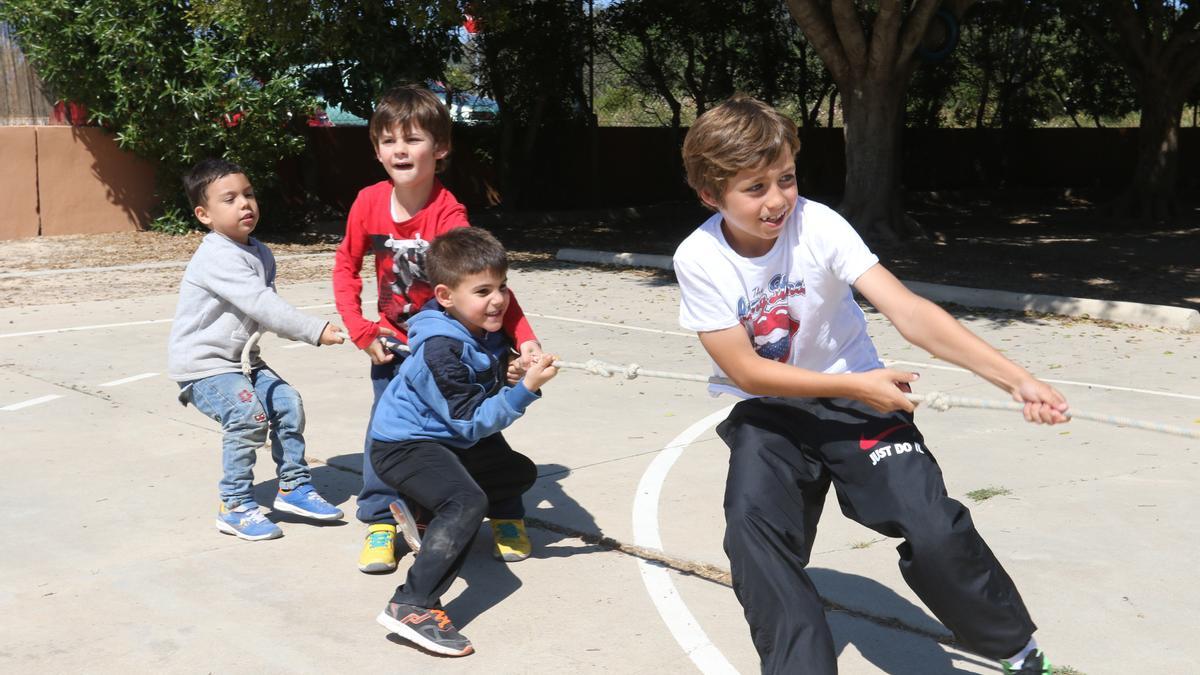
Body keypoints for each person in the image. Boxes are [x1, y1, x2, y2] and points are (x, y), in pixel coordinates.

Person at [672, 95, 1068, 675]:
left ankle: (1015, 648)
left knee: (933, 529)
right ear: (712, 195)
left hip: (857, 398)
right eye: (754, 188)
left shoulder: (820, 224)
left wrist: (1017, 379)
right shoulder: (699, 257)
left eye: (785, 178)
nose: (778, 200)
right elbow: (746, 371)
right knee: (754, 538)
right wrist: (861, 388)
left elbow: (908, 312)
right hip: (771, 410)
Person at [332, 84, 542, 574]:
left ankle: (505, 508)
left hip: (452, 347)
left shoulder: (449, 213)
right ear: (376, 149)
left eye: (413, 139)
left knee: (477, 432)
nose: (399, 149)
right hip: (394, 347)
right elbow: (345, 267)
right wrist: (362, 330)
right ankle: (381, 519)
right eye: (388, 140)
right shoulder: (367, 202)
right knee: (386, 434)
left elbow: (483, 282)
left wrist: (523, 335)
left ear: (441, 148)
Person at [369, 227, 556, 656]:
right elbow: (471, 420)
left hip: (444, 438)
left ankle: (423, 516)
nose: (498, 300)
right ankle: (412, 605)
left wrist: (510, 372)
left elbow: (476, 398)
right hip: (404, 445)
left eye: (503, 287)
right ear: (446, 295)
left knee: (518, 473)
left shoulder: (475, 327)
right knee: (466, 502)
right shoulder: (440, 348)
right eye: (483, 290)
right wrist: (525, 388)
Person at [168, 158, 346, 541]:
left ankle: (293, 487)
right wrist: (314, 330)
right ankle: (233, 505)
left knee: (286, 402)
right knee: (248, 415)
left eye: (248, 194)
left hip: (243, 360)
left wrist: (300, 329)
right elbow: (263, 306)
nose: (244, 204)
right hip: (204, 366)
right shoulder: (217, 255)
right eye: (229, 199)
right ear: (205, 215)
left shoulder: (260, 252)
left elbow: (268, 314)